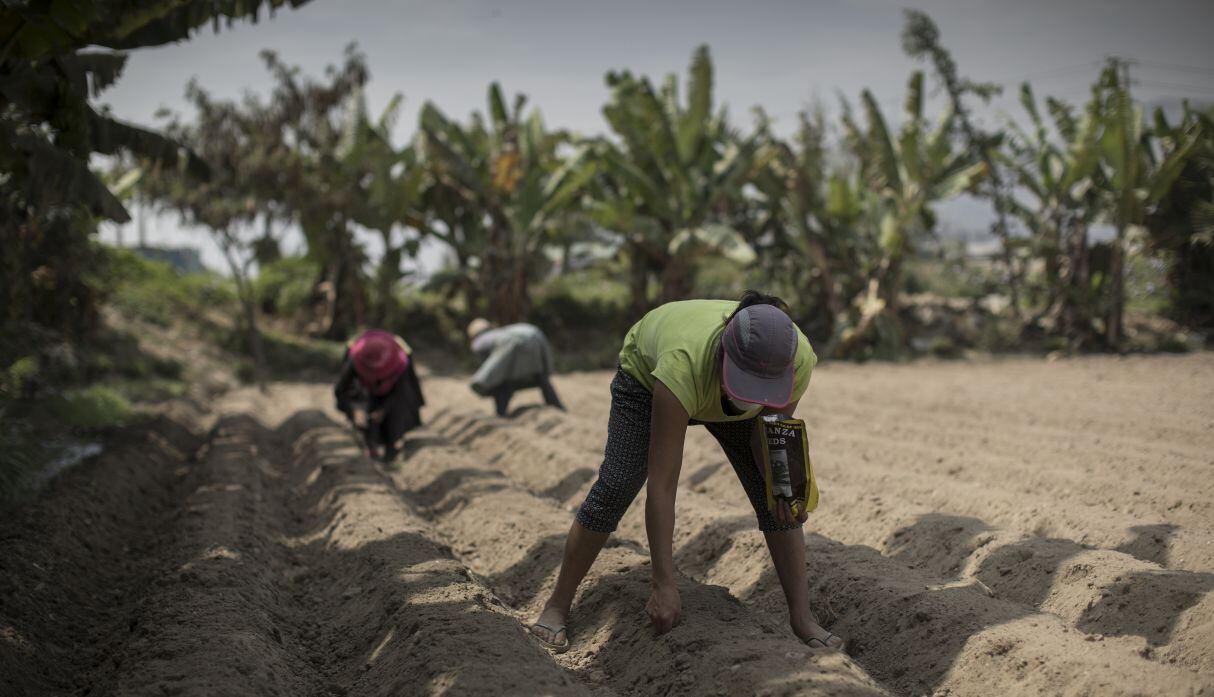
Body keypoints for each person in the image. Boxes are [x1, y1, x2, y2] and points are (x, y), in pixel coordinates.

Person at [528, 291, 844, 653]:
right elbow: (662, 485)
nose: (755, 395)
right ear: (725, 356)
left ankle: (802, 617)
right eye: (748, 384)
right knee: (618, 483)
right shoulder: (683, 364)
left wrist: (787, 489)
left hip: (716, 393)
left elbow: (768, 438)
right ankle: (556, 606)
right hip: (649, 381)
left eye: (763, 388)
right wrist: (664, 584)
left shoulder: (796, 358)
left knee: (775, 495)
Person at [333, 329, 425, 462]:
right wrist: (354, 410)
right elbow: (341, 390)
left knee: (398, 411)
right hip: (364, 393)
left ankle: (391, 447)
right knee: (364, 411)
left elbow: (400, 393)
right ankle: (369, 446)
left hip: (393, 397)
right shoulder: (354, 358)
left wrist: (384, 410)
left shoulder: (401, 361)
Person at [467, 318, 566, 417]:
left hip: (515, 346)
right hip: (535, 335)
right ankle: (557, 407)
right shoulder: (502, 332)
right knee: (540, 377)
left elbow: (494, 369)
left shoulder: (481, 341)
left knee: (500, 383)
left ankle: (501, 414)